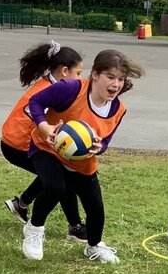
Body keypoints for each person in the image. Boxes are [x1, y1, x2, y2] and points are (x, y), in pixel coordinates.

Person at [21, 49, 144, 263]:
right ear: (95, 74)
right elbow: (35, 103)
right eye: (110, 77)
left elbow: (105, 140)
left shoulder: (118, 109)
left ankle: (93, 246)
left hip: (81, 162)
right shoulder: (71, 89)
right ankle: (34, 229)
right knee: (54, 186)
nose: (116, 84)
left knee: (96, 210)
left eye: (121, 79)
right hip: (47, 148)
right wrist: (44, 126)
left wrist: (99, 147)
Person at [1, 40, 88, 242]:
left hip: (17, 142)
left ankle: (21, 204)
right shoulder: (49, 91)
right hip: (17, 146)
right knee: (63, 178)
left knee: (57, 174)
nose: (81, 78)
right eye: (79, 73)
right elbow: (37, 116)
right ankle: (75, 227)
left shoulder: (53, 84)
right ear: (65, 71)